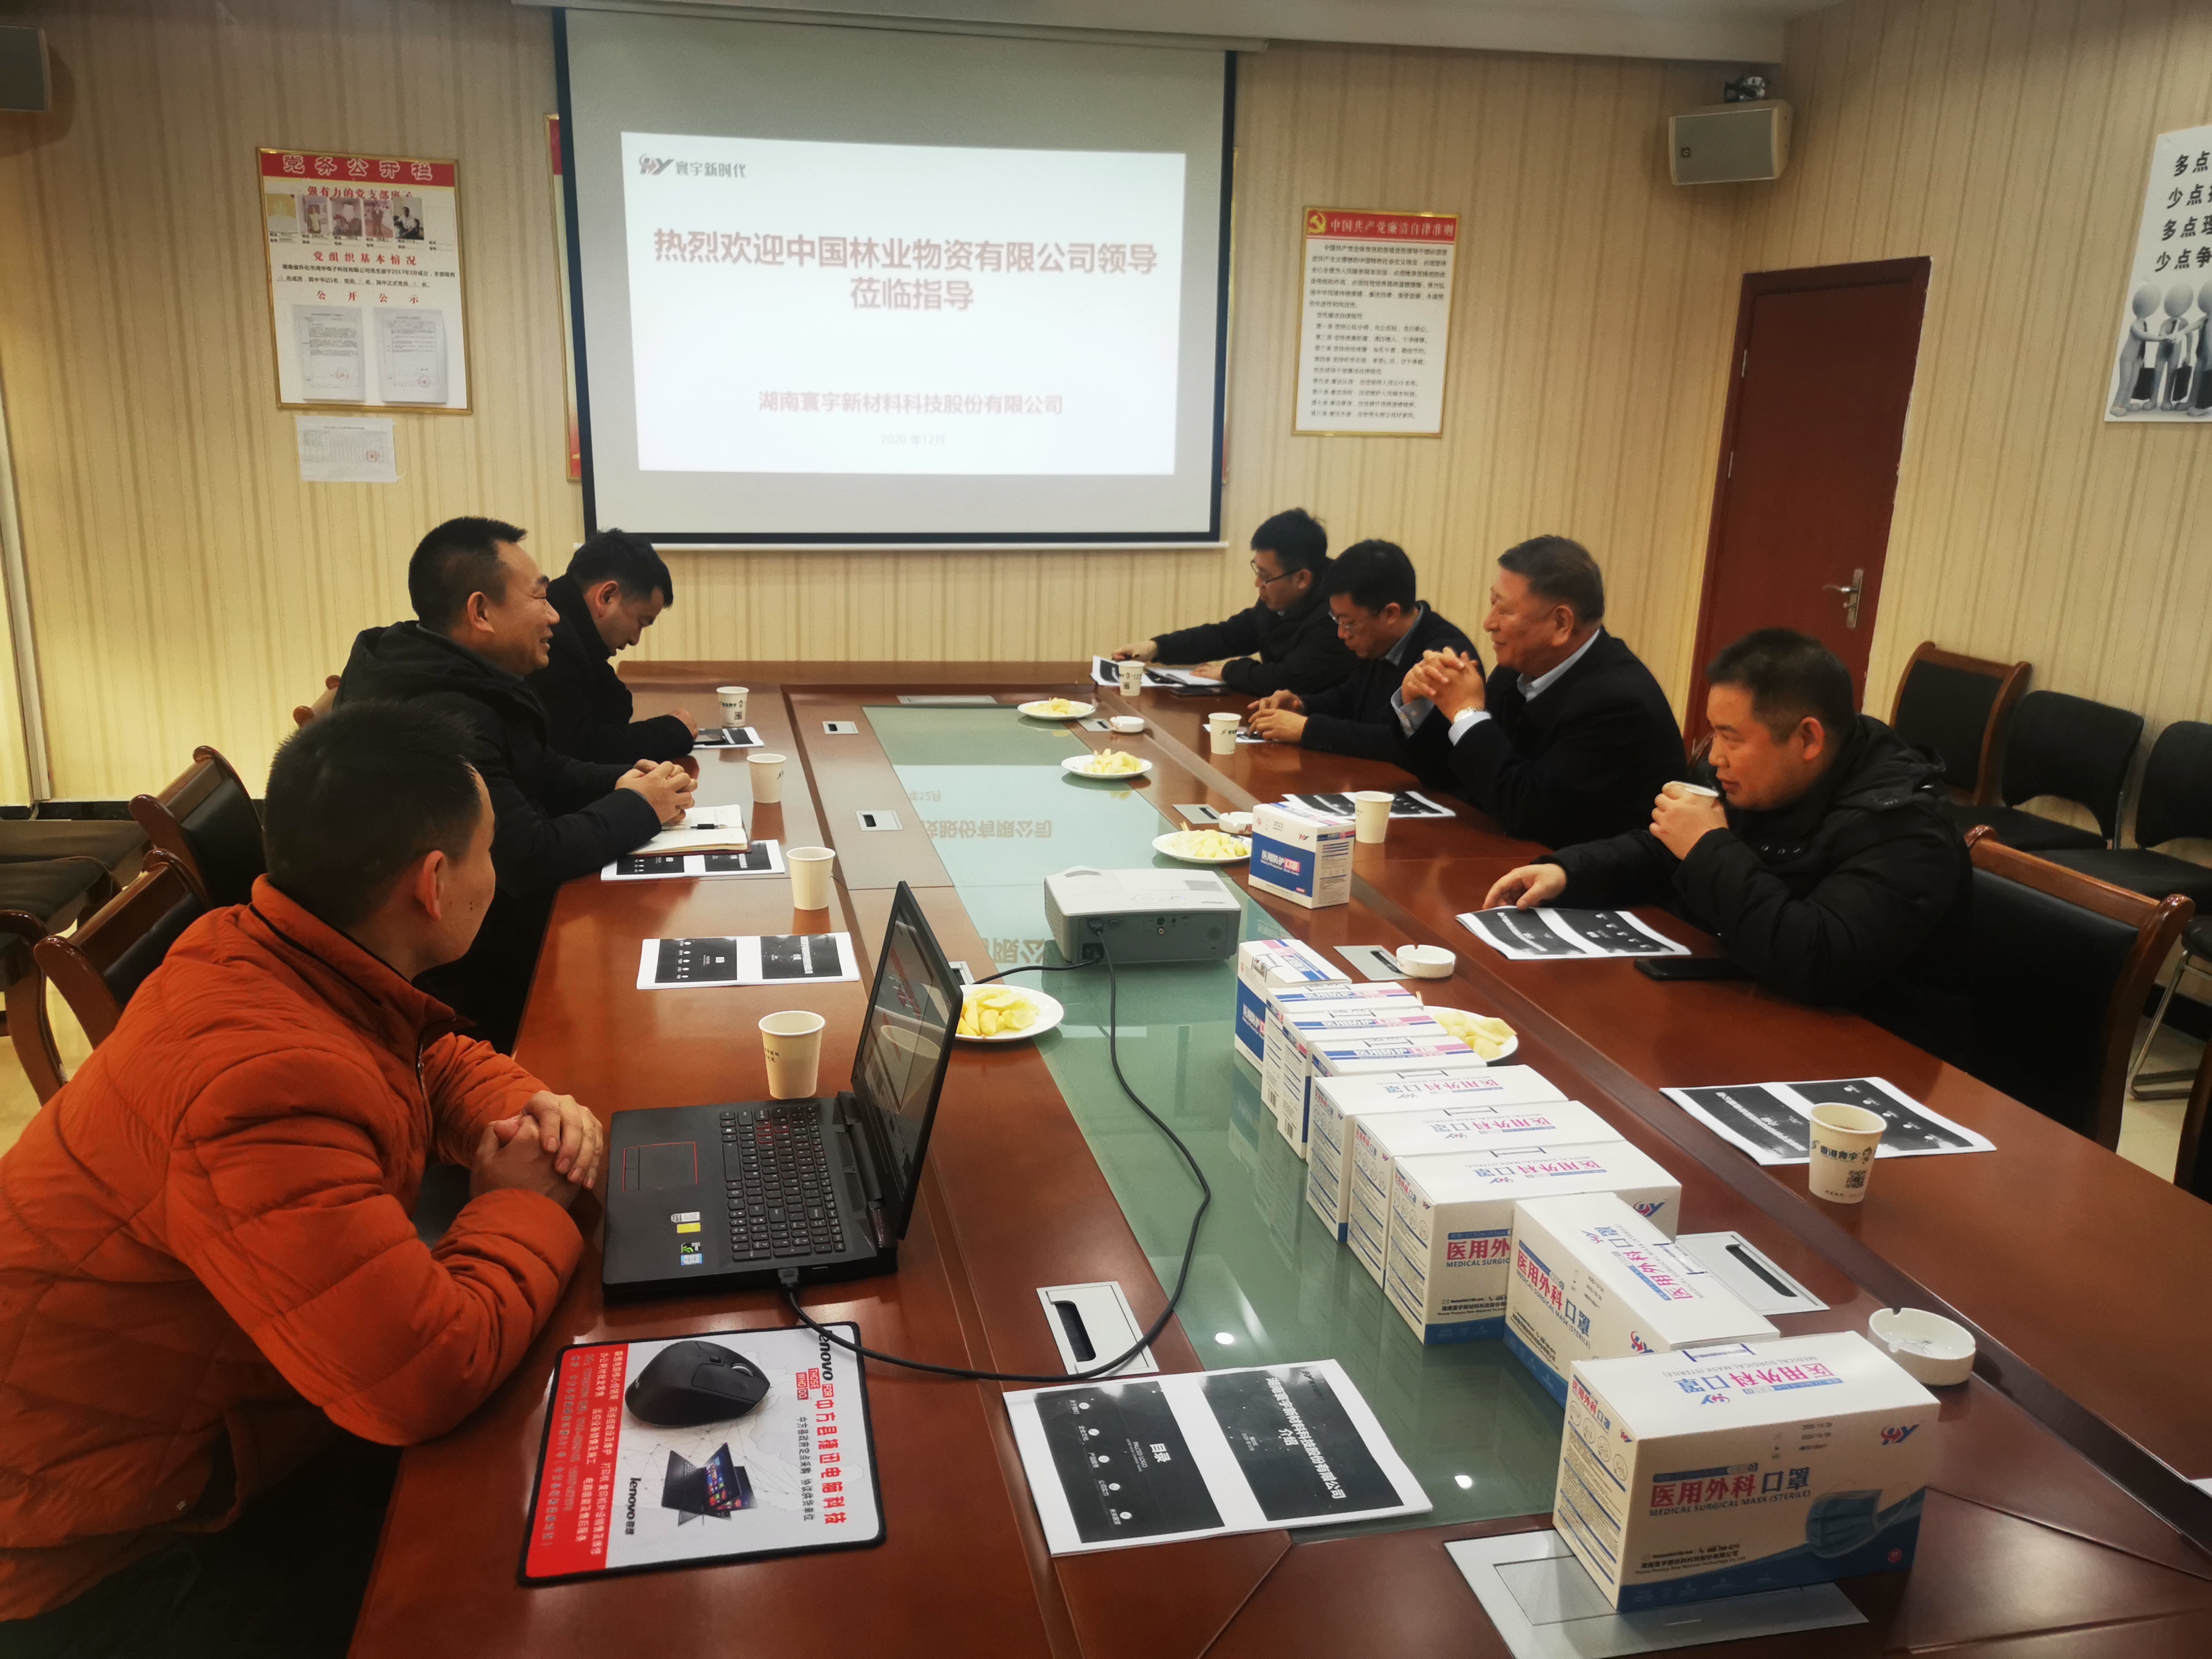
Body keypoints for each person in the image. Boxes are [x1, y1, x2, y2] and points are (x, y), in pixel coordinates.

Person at [0, 702, 602, 1653]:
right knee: (514, 1576)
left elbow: (422, 1055)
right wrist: (520, 1206)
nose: (499, 871)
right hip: (91, 1553)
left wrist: (530, 1111)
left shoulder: (258, 946)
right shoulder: (259, 1095)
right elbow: (423, 1381)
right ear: (434, 884)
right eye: (489, 852)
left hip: (212, 1424)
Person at [338, 517, 691, 1047]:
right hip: (456, 978)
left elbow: (542, 767)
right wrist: (640, 808)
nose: (554, 615)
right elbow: (528, 857)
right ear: (481, 612)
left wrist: (626, 780)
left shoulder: (455, 673)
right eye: (540, 597)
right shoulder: (443, 714)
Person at [1483, 629, 1971, 1005]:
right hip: (1750, 1002)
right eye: (1713, 733)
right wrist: (1569, 871)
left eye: (1731, 738)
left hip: (1866, 1057)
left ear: (1808, 739)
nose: (1715, 757)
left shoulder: (1903, 827)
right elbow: (1666, 848)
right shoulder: (1766, 779)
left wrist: (1708, 848)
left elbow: (1817, 960)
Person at [1397, 535, 1683, 846]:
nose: (1488, 623)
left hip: (1593, 870)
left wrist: (1467, 713)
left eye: (1504, 610)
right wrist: (1419, 704)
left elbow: (1531, 814)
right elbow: (1455, 777)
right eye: (1492, 603)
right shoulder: (1516, 671)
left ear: (1561, 623)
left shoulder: (1618, 702)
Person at [1243, 538, 1478, 783]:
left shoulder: (1442, 658)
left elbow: (1403, 744)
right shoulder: (1378, 639)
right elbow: (1350, 696)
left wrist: (1307, 729)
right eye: (1337, 620)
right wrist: (1301, 705)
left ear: (1390, 613)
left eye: (1348, 623)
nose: (1341, 633)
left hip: (1429, 794)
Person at [1109, 508, 1356, 696]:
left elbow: (1289, 678)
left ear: (1302, 579)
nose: (1258, 583)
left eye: (1265, 576)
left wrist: (1228, 671)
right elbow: (1230, 634)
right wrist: (1158, 647)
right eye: (1257, 571)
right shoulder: (1281, 597)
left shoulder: (1337, 614)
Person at [529, 528, 698, 764]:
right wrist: (672, 732)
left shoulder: (576, 633)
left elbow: (613, 712)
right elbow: (581, 748)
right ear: (607, 596)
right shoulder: (552, 639)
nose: (635, 640)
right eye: (641, 622)